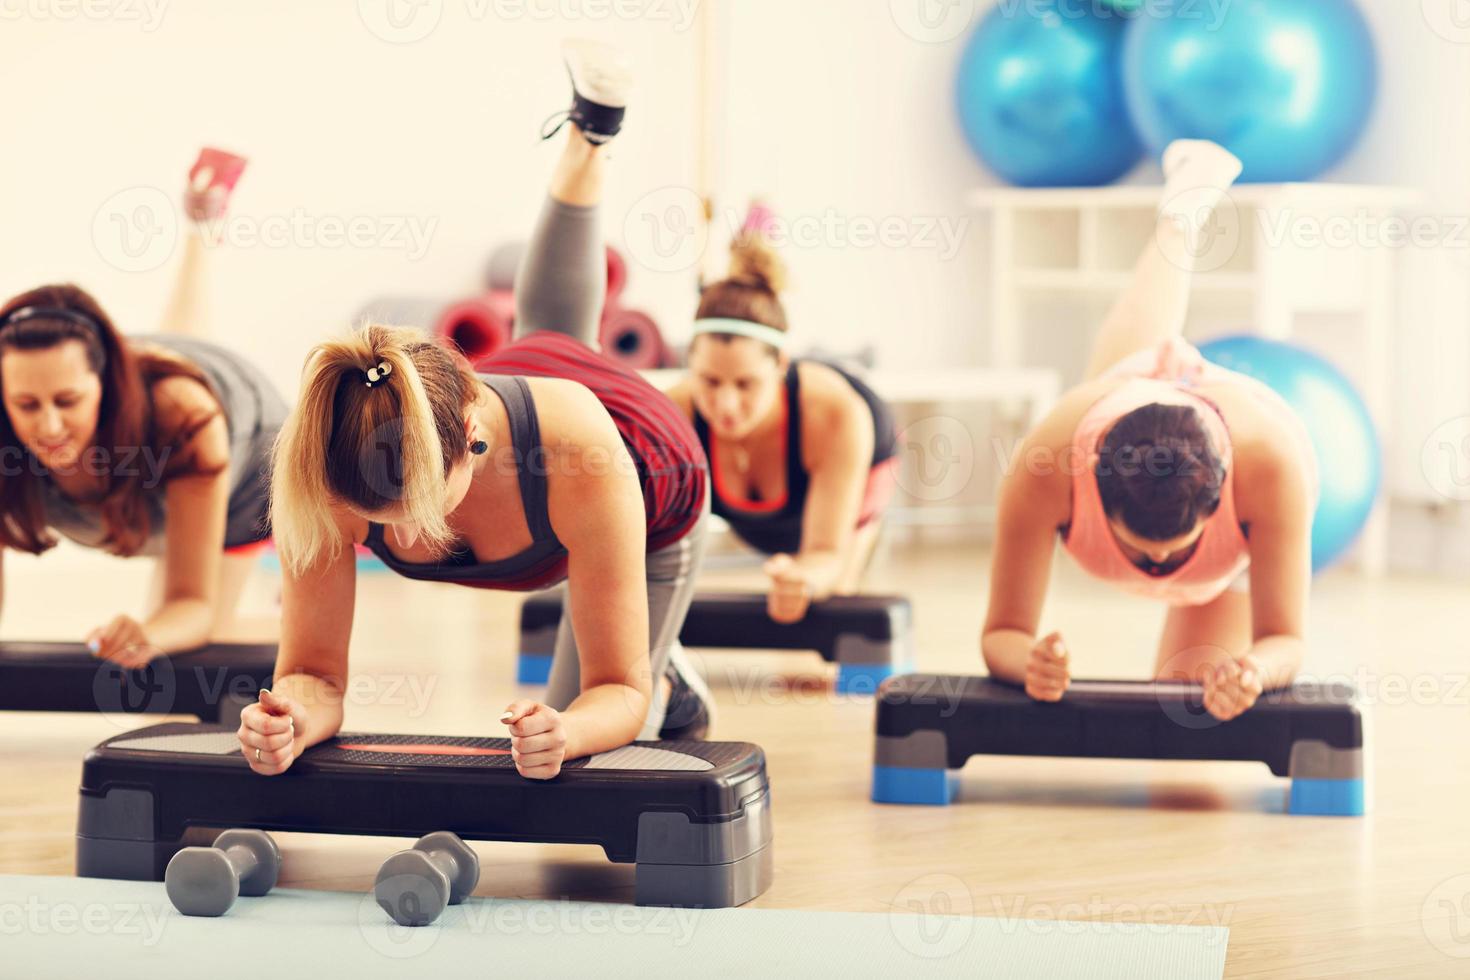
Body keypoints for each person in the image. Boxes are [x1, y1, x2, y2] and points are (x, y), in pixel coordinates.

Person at [242, 40, 714, 782]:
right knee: (551, 324)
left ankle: (672, 679)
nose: (402, 537)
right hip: (531, 401)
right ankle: (591, 133)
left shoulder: (579, 459)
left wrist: (569, 726)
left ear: (472, 440)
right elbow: (315, 675)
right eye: (380, 518)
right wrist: (294, 715)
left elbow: (615, 691)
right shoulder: (328, 462)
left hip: (651, 485)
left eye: (419, 507)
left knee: (572, 759)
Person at [981, 140, 1318, 722]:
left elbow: (1286, 639)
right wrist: (1028, 660)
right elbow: (1002, 633)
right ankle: (1184, 209)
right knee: (1141, 332)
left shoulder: (1271, 467)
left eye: (1175, 553)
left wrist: (1254, 671)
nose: (1158, 569)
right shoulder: (1049, 462)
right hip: (1125, 388)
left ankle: (1186, 213)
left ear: (1215, 505)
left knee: (1190, 716)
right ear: (1091, 488)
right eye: (1141, 552)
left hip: (1238, 436)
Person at [0, 160, 284, 668]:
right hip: (162, 378)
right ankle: (201, 227)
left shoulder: (188, 422)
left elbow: (189, 605)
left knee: (201, 638)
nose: (46, 427)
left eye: (67, 403)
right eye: (26, 405)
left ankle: (295, 614)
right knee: (180, 348)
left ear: (106, 387)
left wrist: (148, 631)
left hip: (245, 463)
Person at [663, 216, 898, 624]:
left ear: (780, 366)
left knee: (829, 602)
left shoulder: (838, 416)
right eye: (710, 381)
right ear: (689, 366)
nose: (726, 404)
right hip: (765, 518)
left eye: (745, 383)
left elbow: (824, 554)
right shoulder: (673, 413)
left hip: (858, 463)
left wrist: (804, 579)